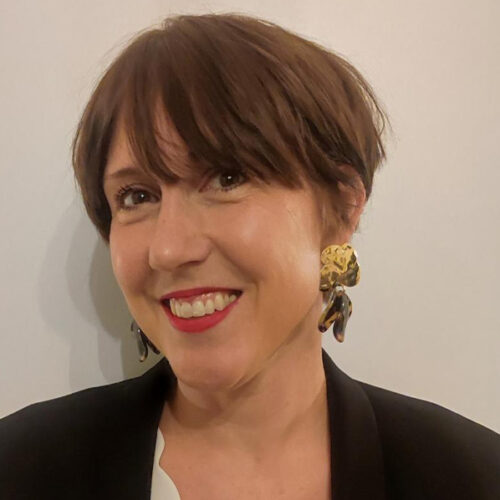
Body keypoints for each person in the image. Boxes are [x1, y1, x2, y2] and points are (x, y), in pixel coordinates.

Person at [1, 12, 499, 500]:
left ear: (342, 208)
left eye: (227, 178)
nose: (169, 249)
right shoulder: (21, 468)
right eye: (137, 196)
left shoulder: (471, 477)